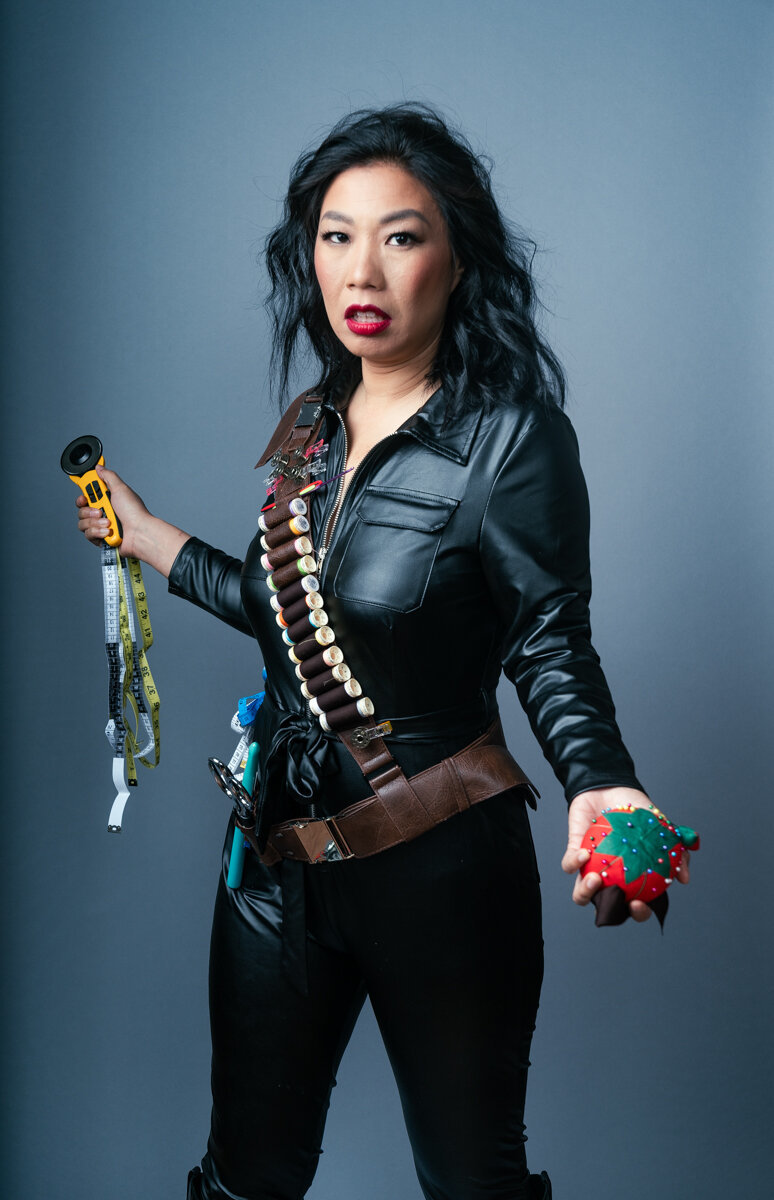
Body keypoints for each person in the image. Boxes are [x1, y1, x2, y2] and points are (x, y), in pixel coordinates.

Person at [76, 104, 690, 1200]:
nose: (363, 267)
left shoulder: (511, 436)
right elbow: (280, 609)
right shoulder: (314, 427)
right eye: (335, 233)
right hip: (274, 870)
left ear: (458, 257)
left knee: (471, 1182)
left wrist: (600, 779)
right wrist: (146, 529)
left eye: (402, 235)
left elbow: (550, 637)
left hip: (442, 865)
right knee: (241, 1178)